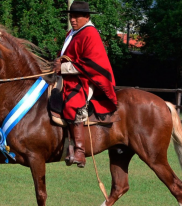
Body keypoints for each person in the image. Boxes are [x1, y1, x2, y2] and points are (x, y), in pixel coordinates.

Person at [53, 1, 117, 168]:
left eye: (77, 17)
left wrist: (64, 67)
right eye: (71, 16)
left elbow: (90, 63)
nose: (73, 20)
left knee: (72, 102)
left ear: (86, 17)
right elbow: (66, 55)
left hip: (88, 79)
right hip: (71, 76)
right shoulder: (72, 33)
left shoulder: (90, 33)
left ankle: (80, 151)